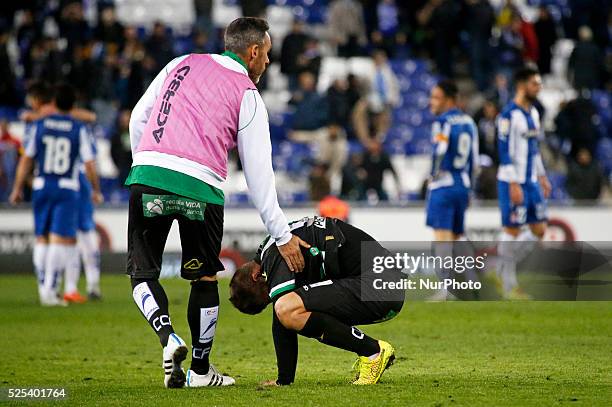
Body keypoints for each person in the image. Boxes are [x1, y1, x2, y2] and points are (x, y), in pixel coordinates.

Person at [125, 17, 309, 389]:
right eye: (268, 55)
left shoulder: (180, 63)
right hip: (201, 188)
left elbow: (137, 118)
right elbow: (260, 175)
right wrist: (282, 234)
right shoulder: (247, 94)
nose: (269, 63)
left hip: (148, 176)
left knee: (142, 274)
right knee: (204, 278)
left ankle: (167, 337)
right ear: (253, 52)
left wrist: (145, 164)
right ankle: (200, 370)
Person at [229, 216, 404, 386]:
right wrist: (284, 380)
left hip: (378, 288)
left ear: (256, 276)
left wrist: (284, 380)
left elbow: (281, 311)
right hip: (385, 289)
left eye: (267, 296)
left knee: (287, 308)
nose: (272, 299)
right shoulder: (272, 244)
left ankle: (372, 352)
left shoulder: (276, 253)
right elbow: (281, 317)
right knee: (288, 308)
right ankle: (372, 351)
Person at [9, 84, 102, 306]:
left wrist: (17, 188)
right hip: (66, 187)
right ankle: (51, 290)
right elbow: (90, 164)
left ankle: (44, 288)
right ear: (72, 105)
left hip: (41, 185)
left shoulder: (38, 124)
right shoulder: (77, 127)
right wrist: (96, 189)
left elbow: (26, 159)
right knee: (61, 240)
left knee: (42, 237)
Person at [496, 67, 551, 300]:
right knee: (513, 229)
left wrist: (542, 175)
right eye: (534, 84)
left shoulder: (534, 113)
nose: (538, 88)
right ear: (521, 86)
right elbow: (503, 150)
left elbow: (534, 148)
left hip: (531, 181)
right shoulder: (508, 115)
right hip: (513, 181)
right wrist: (512, 183)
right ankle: (509, 285)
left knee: (539, 230)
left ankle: (499, 265)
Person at [425, 80, 479, 300]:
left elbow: (440, 150)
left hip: (444, 184)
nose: (431, 102)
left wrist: (433, 173)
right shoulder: (469, 122)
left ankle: (445, 289)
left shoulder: (442, 121)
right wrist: (470, 190)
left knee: (442, 237)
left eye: (436, 97)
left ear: (448, 100)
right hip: (463, 184)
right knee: (458, 235)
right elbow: (475, 162)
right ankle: (473, 280)